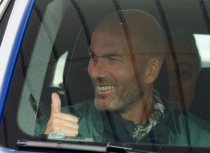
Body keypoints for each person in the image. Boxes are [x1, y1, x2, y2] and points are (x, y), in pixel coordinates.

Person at [35, 9, 210, 146]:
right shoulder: (51, 128)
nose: (96, 72)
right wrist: (48, 146)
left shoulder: (201, 139)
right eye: (93, 57)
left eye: (112, 59)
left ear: (151, 70)